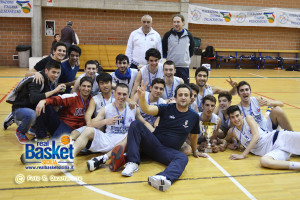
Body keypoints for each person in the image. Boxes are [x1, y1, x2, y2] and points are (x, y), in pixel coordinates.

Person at [121, 82, 206, 191]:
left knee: (182, 157)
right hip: (153, 144)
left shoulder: (194, 116)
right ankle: (132, 162)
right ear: (175, 97)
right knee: (136, 124)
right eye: (180, 95)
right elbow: (147, 109)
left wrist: (195, 151)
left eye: (186, 95)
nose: (183, 97)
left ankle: (163, 177)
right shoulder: (166, 108)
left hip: (167, 152)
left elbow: (194, 136)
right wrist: (141, 98)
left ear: (190, 98)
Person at [69, 83, 153, 172]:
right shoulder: (106, 108)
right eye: (119, 93)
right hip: (108, 138)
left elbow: (143, 122)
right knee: (88, 130)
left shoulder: (133, 107)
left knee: (132, 134)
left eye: (124, 94)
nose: (121, 96)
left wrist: (154, 131)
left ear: (127, 95)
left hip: (126, 141)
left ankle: (104, 158)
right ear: (114, 93)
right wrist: (105, 121)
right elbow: (91, 123)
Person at [4, 61, 64, 143]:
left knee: (50, 106)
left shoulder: (49, 78)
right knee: (32, 114)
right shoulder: (37, 80)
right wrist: (54, 91)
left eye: (58, 73)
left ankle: (35, 128)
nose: (56, 75)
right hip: (20, 109)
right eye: (53, 72)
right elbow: (34, 99)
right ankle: (20, 131)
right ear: (46, 71)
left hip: (32, 107)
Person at [225, 105, 300, 171]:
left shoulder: (248, 118)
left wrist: (243, 155)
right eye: (232, 117)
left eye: (237, 116)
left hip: (280, 138)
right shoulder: (232, 132)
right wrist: (229, 144)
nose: (236, 119)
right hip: (274, 151)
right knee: (264, 161)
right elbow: (224, 141)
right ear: (230, 119)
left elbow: (256, 136)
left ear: (241, 115)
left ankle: (268, 111)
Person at [162, 14, 195, 84]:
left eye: (178, 22)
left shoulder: (189, 35)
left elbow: (191, 50)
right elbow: (163, 49)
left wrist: (185, 58)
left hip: (184, 67)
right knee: (170, 86)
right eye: (174, 22)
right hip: (171, 67)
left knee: (184, 87)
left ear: (183, 22)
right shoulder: (167, 35)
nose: (176, 24)